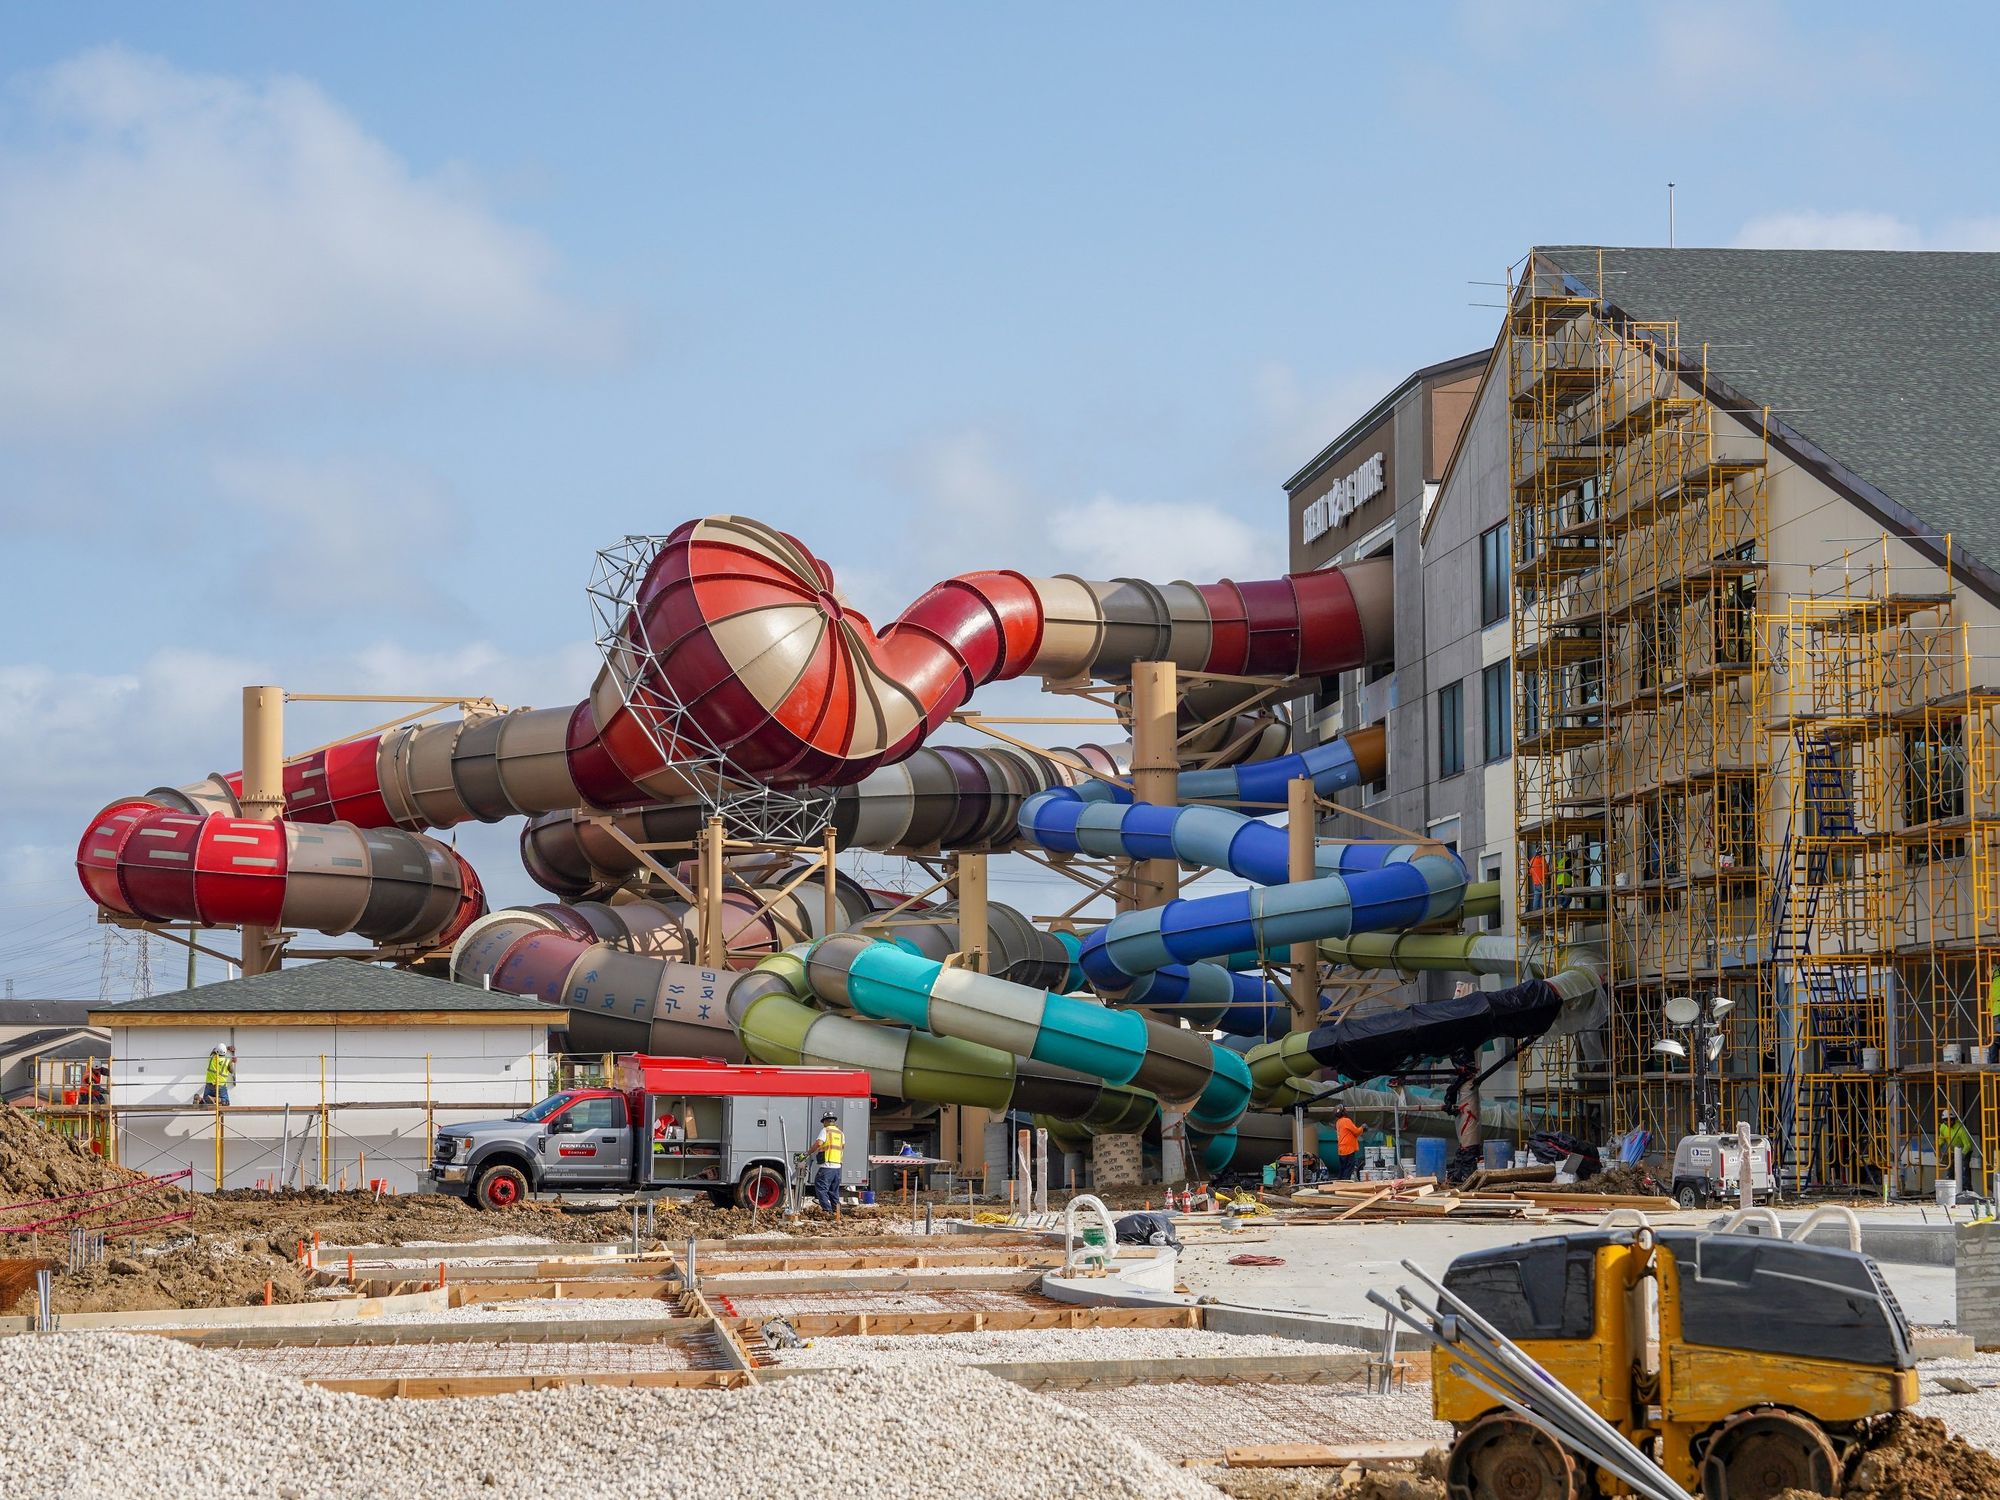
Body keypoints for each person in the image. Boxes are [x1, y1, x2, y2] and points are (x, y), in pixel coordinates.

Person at [810, 1111, 845, 1212]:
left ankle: (828, 1212)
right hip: (837, 1168)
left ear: (826, 1121)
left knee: (821, 1188)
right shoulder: (840, 1133)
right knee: (834, 1192)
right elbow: (842, 1148)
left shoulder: (826, 1130)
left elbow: (818, 1143)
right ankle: (837, 1213)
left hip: (827, 1166)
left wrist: (808, 1153)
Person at [1941, 1108, 1979, 1194]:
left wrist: (1961, 1157)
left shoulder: (1960, 1129)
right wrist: (1937, 1148)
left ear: (1954, 1119)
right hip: (1953, 1150)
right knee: (1950, 1168)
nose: (1947, 1122)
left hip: (1965, 1150)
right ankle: (1950, 1189)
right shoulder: (1943, 1127)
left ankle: (1967, 1189)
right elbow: (1942, 1139)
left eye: (1949, 1120)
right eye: (1945, 1121)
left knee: (1964, 1168)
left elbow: (1967, 1146)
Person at [1333, 1107, 1363, 1181]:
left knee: (1342, 1168)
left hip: (1341, 1149)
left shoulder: (1338, 1122)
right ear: (1343, 1112)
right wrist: (1363, 1128)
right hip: (1348, 1149)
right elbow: (1356, 1132)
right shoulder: (1346, 1121)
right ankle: (1345, 1184)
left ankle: (1339, 1184)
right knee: (1348, 1168)